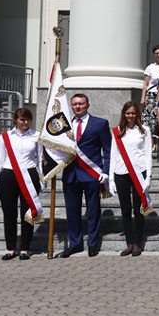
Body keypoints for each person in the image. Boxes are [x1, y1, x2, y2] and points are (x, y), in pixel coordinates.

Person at [59, 93, 112, 258]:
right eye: (74, 104)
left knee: (93, 210)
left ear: (88, 105)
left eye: (81, 104)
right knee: (72, 212)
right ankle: (75, 244)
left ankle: (93, 243)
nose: (77, 107)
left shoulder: (100, 124)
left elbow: (108, 151)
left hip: (91, 174)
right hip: (70, 175)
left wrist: (106, 171)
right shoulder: (64, 125)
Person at [0, 108, 41, 260]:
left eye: (28, 119)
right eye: (22, 120)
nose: (25, 122)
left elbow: (39, 160)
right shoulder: (5, 137)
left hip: (29, 175)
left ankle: (25, 248)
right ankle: (11, 248)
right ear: (15, 120)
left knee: (28, 214)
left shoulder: (36, 136)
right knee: (9, 214)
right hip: (8, 176)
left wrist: (41, 177)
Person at [109, 102, 153, 257]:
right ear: (123, 114)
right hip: (121, 172)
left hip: (139, 172)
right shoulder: (117, 132)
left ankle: (137, 242)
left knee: (138, 209)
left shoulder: (144, 130)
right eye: (128, 113)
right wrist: (111, 179)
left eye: (133, 113)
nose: (130, 116)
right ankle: (129, 243)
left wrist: (148, 176)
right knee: (125, 210)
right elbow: (113, 154)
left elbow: (148, 153)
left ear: (137, 114)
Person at [140, 44, 159, 138]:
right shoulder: (150, 67)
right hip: (151, 95)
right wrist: (143, 97)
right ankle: (151, 142)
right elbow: (146, 84)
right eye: (157, 53)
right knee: (150, 119)